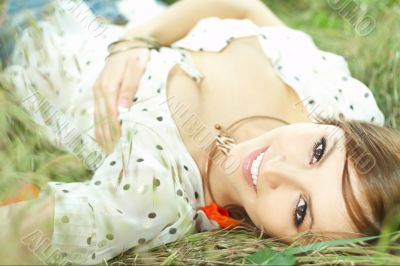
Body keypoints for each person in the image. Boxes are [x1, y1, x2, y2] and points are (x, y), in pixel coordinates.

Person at [1, 0, 399, 264]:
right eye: (317, 152)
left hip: (33, 24)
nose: (278, 170)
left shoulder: (152, 198)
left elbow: (18, 234)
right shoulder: (338, 100)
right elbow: (243, 6)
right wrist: (133, 41)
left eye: (300, 210)